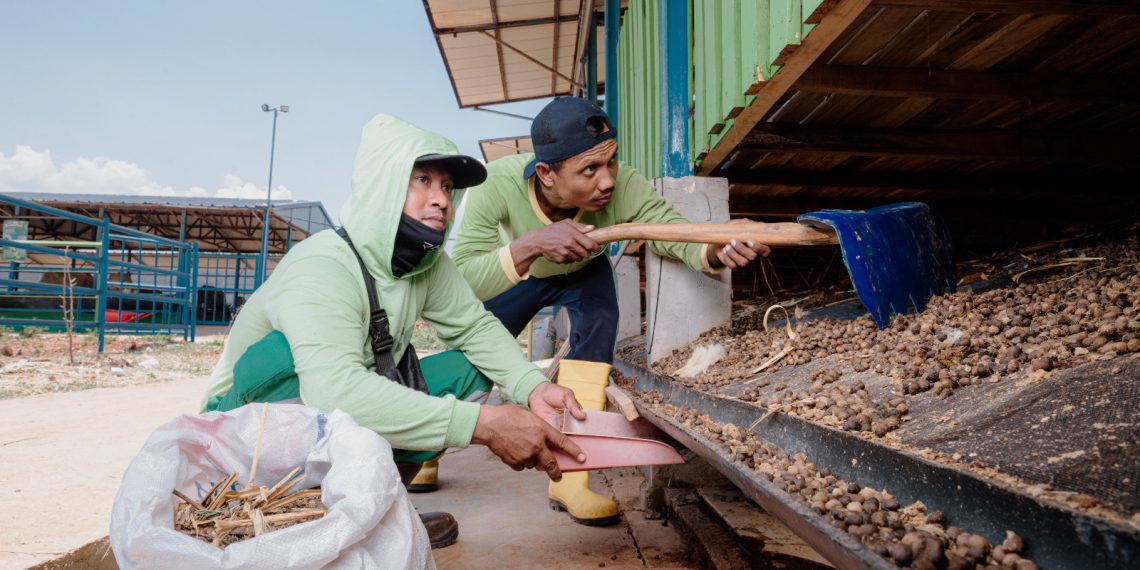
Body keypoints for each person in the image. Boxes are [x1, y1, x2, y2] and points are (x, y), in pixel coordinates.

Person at [200, 114, 588, 549]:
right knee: (285, 357)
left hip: (334, 412)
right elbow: (335, 391)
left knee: (470, 373)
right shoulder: (324, 265)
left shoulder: (428, 264)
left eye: (446, 186)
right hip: (243, 435)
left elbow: (475, 326)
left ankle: (374, 510)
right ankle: (287, 513)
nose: (441, 199)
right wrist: (483, 424)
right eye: (422, 180)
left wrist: (531, 386)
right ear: (383, 184)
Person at [436, 97, 771, 526]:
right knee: (479, 347)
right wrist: (532, 244)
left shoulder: (624, 184)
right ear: (546, 174)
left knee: (599, 329)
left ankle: (571, 479)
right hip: (521, 270)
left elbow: (671, 234)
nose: (608, 180)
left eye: (611, 162)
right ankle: (432, 444)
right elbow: (461, 278)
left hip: (582, 269)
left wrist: (715, 248)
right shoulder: (496, 184)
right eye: (589, 170)